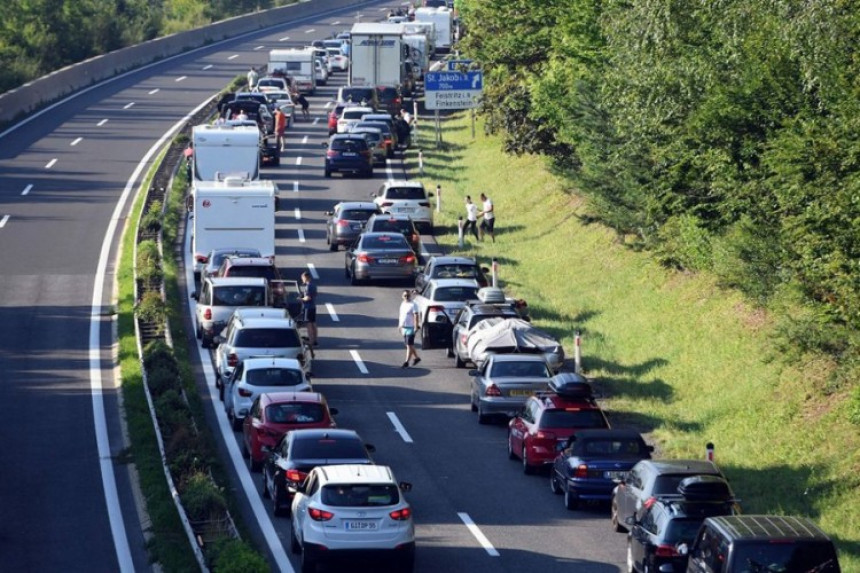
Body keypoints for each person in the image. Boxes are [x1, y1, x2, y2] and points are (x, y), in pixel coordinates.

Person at [398, 290, 421, 368]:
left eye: (408, 296)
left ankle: (406, 362)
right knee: (409, 345)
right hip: (404, 327)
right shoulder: (402, 304)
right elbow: (401, 315)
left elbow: (416, 316)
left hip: (411, 327)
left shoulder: (413, 305)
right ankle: (417, 358)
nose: (406, 297)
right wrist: (400, 325)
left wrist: (416, 326)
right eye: (405, 296)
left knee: (409, 345)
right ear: (402, 297)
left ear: (410, 296)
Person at [301, 271, 318, 346]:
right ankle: (315, 340)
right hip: (313, 306)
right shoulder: (314, 285)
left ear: (306, 277)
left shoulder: (308, 286)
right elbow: (315, 294)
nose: (302, 280)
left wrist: (301, 299)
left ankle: (311, 341)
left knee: (308, 325)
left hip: (307, 307)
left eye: (303, 278)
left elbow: (308, 297)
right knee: (313, 324)